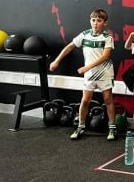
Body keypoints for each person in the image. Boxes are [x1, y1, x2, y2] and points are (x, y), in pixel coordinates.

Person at [49, 8, 117, 141]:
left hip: (105, 73)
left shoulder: (108, 37)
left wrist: (86, 67)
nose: (95, 23)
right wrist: (56, 61)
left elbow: (105, 56)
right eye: (93, 20)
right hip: (89, 74)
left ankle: (112, 128)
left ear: (105, 23)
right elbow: (69, 46)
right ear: (90, 21)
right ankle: (80, 126)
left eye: (99, 20)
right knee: (85, 100)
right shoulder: (84, 35)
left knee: (108, 100)